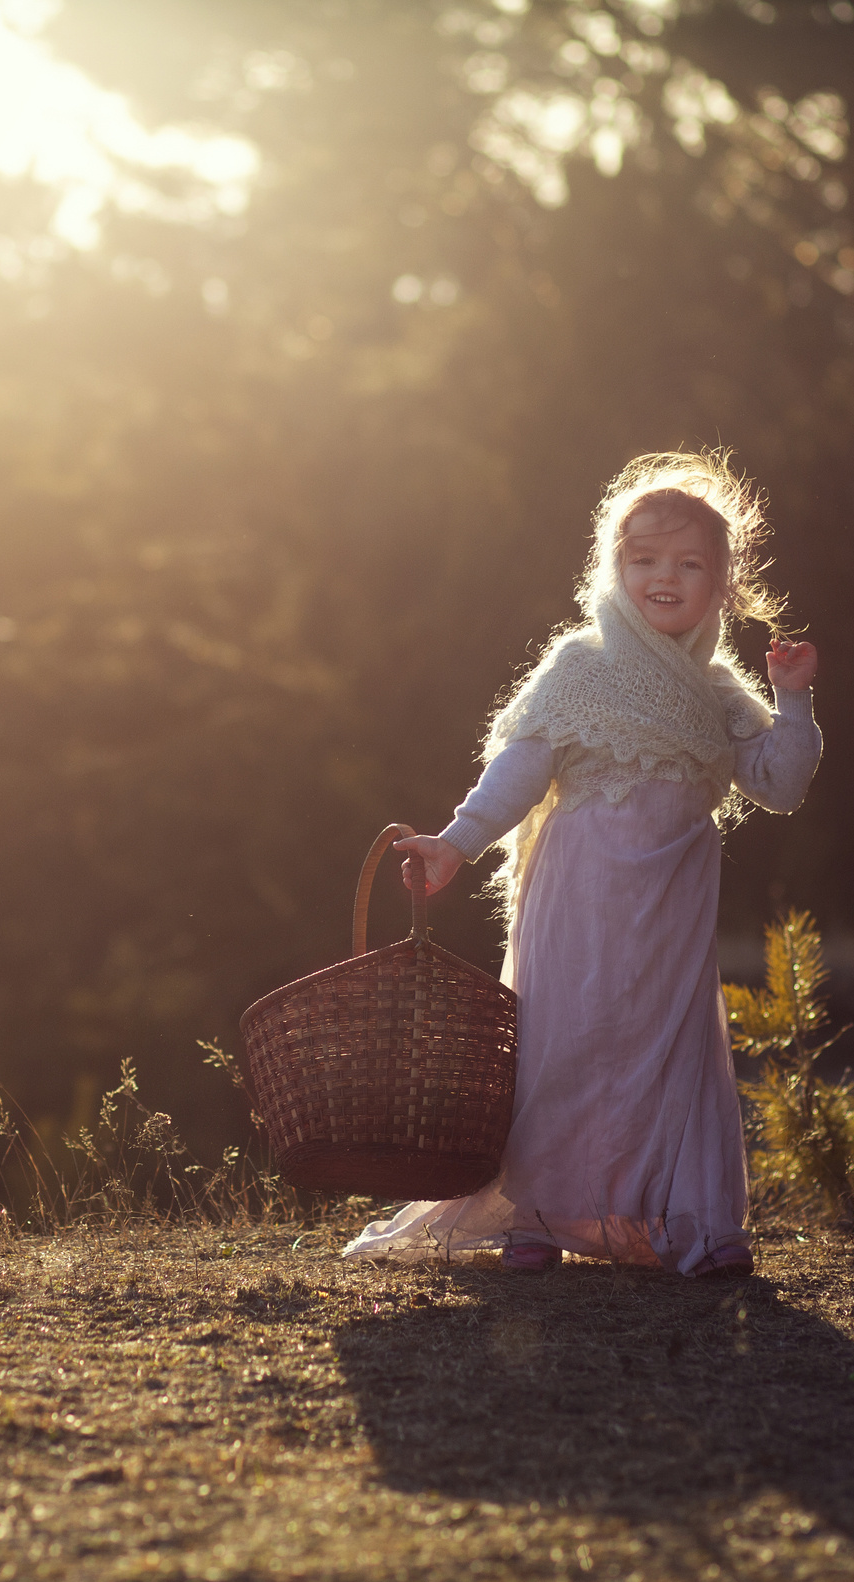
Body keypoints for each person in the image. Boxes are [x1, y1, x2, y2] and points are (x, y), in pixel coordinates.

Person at [344, 451, 821, 1278]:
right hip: (581, 889)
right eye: (643, 560)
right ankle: (539, 1212)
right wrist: (457, 843)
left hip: (671, 900)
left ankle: (687, 1220)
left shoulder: (716, 690)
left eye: (688, 564)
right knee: (566, 1040)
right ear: (615, 565)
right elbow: (520, 771)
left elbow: (780, 783)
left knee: (666, 1048)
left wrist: (795, 700)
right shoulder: (581, 667)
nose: (663, 577)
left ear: (721, 586)